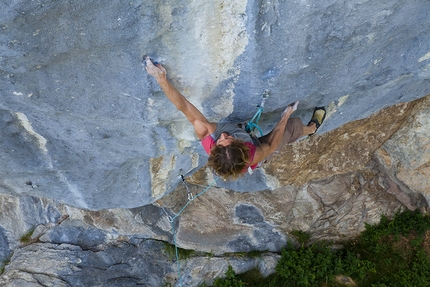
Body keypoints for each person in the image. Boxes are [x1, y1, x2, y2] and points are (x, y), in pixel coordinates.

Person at [145, 56, 326, 180]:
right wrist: (285, 115)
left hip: (242, 143)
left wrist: (161, 79)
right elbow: (270, 146)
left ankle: (307, 129)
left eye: (221, 140)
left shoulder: (208, 136)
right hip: (259, 150)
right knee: (293, 126)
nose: (223, 135)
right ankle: (312, 129)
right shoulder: (252, 155)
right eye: (228, 138)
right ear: (241, 145)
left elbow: (183, 106)